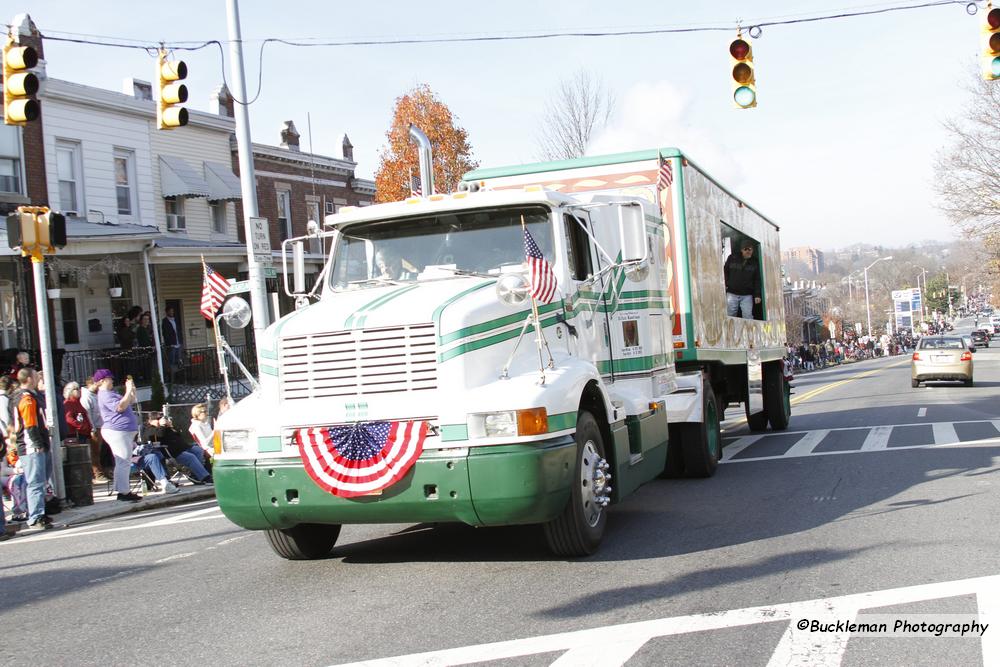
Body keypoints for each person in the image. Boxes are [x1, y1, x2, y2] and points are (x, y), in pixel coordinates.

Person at [9, 368, 53, 529]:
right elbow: (30, 423)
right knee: (35, 482)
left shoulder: (26, 396)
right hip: (32, 446)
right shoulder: (26, 398)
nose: (37, 379)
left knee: (40, 481)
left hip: (36, 444)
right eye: (35, 376)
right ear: (28, 379)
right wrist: (37, 443)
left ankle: (40, 512)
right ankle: (35, 516)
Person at [94, 369, 142, 502]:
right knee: (123, 461)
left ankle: (121, 489)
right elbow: (120, 407)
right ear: (102, 381)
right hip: (117, 431)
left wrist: (131, 390)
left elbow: (129, 401)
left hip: (122, 431)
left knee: (123, 461)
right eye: (110, 378)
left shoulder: (111, 393)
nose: (112, 380)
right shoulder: (104, 395)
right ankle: (123, 492)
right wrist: (127, 391)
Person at [144, 414, 211, 485]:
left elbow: (178, 434)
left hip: (183, 447)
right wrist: (162, 425)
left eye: (161, 418)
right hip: (172, 451)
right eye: (158, 419)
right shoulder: (150, 429)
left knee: (198, 450)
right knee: (190, 457)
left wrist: (171, 426)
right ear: (151, 421)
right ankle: (205, 478)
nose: (160, 420)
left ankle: (195, 475)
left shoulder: (166, 427)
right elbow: (160, 434)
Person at [724, 240, 760, 319]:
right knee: (730, 316)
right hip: (732, 293)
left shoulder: (755, 262)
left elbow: (757, 279)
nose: (748, 251)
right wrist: (726, 284)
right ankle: (730, 332)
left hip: (747, 294)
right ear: (741, 250)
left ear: (752, 250)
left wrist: (757, 295)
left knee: (748, 316)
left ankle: (749, 332)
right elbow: (724, 272)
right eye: (745, 249)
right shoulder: (732, 258)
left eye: (750, 249)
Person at [80, 376, 107, 481]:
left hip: (101, 426)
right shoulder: (87, 397)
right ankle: (97, 473)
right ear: (91, 384)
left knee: (101, 451)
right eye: (97, 384)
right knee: (94, 451)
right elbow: (88, 414)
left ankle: (102, 470)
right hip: (95, 427)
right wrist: (92, 429)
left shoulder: (96, 395)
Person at [2, 446, 27, 523]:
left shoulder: (23, 451)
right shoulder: (5, 452)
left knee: (22, 479)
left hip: (15, 475)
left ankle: (24, 510)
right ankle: (18, 511)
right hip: (4, 477)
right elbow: (3, 470)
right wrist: (19, 470)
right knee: (17, 481)